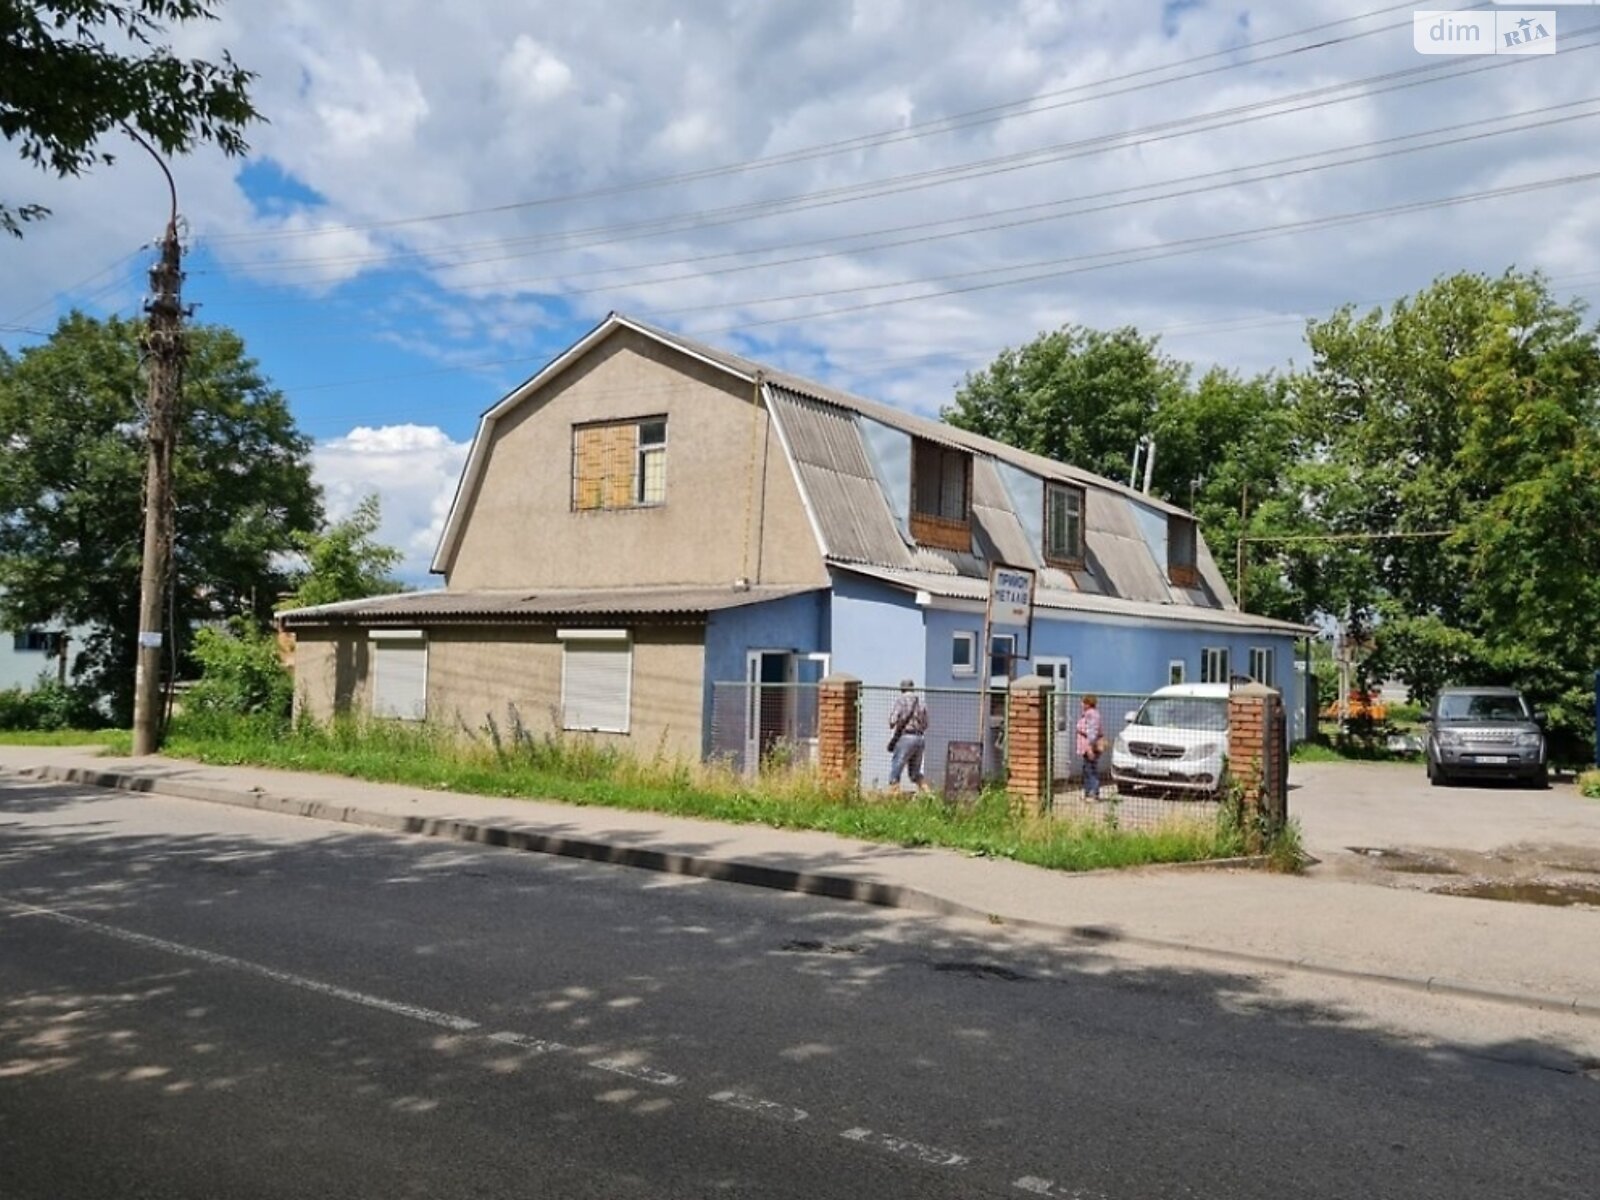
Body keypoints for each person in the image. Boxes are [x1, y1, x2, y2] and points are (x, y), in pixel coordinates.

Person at [887, 678, 931, 793]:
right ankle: (929, 795)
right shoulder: (921, 702)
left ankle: (894, 799)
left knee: (896, 769)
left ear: (902, 688)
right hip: (920, 739)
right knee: (915, 774)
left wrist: (893, 724)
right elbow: (926, 724)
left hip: (906, 737)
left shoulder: (901, 700)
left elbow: (893, 720)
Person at [1076, 693, 1104, 801]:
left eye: (1083, 702)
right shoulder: (1087, 714)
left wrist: (1089, 748)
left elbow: (1092, 732)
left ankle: (1093, 793)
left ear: (1088, 703)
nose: (1081, 704)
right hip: (1086, 747)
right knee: (1087, 769)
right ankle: (1087, 793)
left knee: (1091, 769)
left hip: (1090, 747)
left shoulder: (1092, 714)